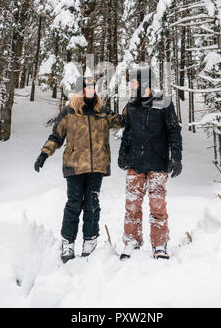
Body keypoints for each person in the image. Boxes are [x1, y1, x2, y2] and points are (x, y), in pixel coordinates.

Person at [34, 76, 124, 263]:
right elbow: (56, 136)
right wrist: (44, 154)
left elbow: (122, 121)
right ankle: (68, 243)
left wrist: (133, 104)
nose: (90, 91)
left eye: (92, 87)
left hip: (97, 166)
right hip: (74, 166)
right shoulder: (68, 112)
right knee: (73, 204)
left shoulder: (102, 111)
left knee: (92, 205)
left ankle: (90, 243)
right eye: (86, 88)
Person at [118, 66, 182, 260]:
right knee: (132, 206)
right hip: (135, 163)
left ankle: (160, 243)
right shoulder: (131, 106)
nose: (130, 85)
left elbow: (174, 131)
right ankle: (131, 242)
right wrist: (122, 154)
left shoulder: (164, 103)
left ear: (144, 82)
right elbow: (127, 132)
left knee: (157, 205)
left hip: (158, 163)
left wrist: (176, 157)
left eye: (133, 82)